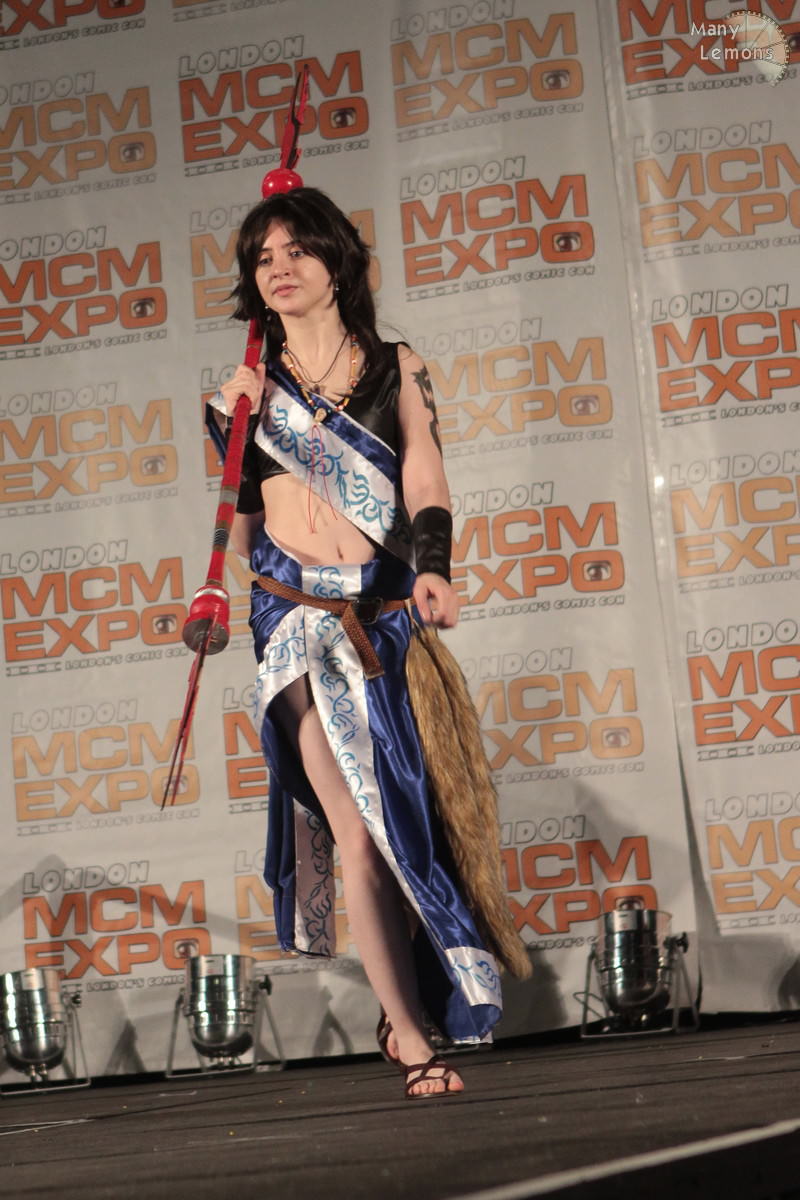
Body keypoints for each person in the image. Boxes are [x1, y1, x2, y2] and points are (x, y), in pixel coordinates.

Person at [207, 186, 505, 1099]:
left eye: (296, 250)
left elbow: (425, 473)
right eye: (263, 258)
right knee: (358, 832)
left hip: (383, 619)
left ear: (337, 262)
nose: (280, 268)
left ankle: (407, 995)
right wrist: (231, 441)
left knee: (407, 825)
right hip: (295, 622)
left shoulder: (395, 367)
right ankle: (412, 1041)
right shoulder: (246, 393)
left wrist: (433, 566)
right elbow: (240, 531)